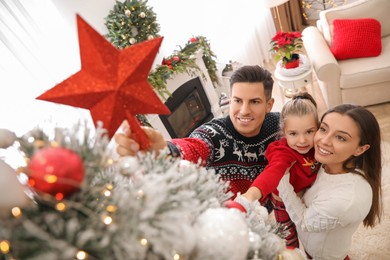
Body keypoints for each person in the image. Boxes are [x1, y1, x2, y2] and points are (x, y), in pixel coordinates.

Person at [114, 65, 280, 211]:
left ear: (269, 105)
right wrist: (164, 150)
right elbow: (194, 146)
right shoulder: (213, 133)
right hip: (230, 217)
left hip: (272, 206)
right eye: (237, 100)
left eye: (254, 102)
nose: (244, 110)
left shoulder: (280, 125)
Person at [277, 104, 383, 259]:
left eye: (340, 137)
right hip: (310, 247)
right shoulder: (324, 162)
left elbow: (304, 222)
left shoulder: (347, 199)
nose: (324, 141)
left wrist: (282, 180)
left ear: (360, 149)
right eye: (324, 129)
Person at [236, 91, 321, 249]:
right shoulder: (282, 152)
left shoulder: (319, 145)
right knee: (288, 238)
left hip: (308, 195)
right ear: (284, 132)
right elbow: (271, 173)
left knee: (314, 236)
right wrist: (248, 197)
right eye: (293, 134)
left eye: (309, 131)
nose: (302, 140)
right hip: (283, 202)